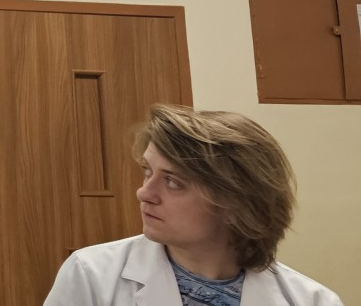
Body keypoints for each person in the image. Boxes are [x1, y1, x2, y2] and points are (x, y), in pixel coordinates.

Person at [45, 104, 342, 305]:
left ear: (238, 202)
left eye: (173, 182)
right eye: (148, 171)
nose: (144, 193)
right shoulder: (91, 276)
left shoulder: (312, 300)